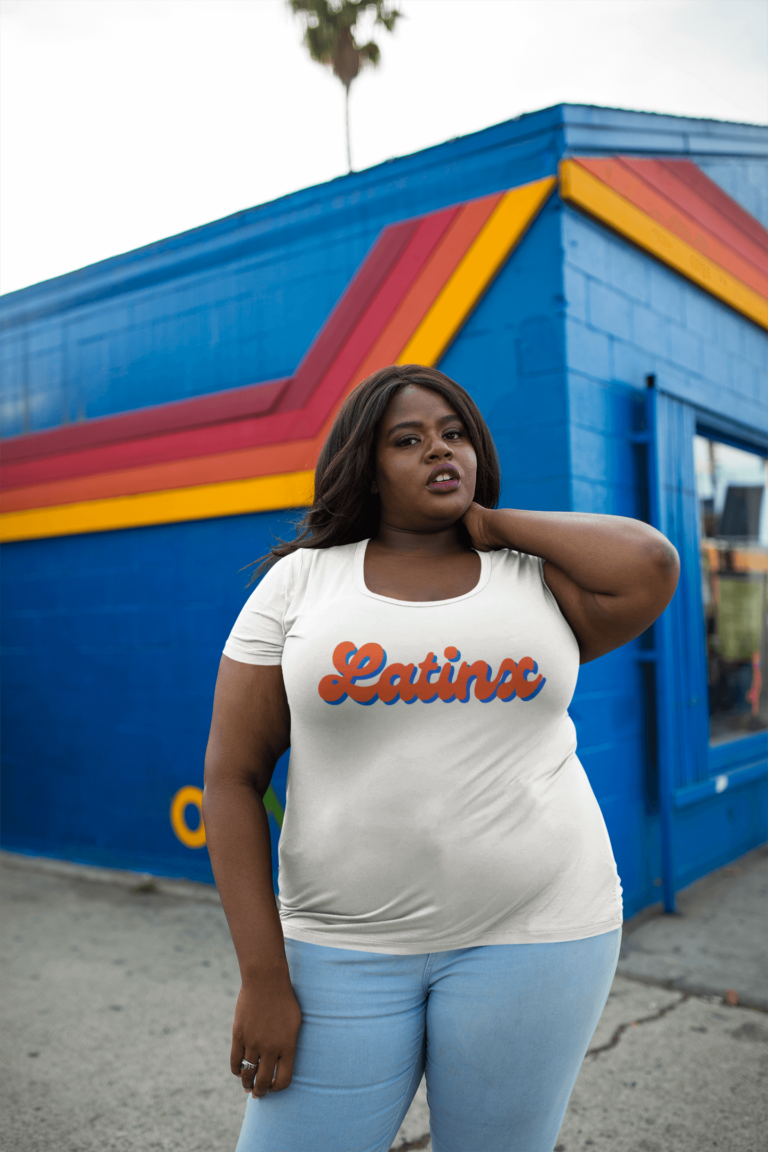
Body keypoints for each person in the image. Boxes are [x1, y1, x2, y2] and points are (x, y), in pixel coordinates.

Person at [203, 363, 679, 1152]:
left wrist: (490, 524)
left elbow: (651, 564)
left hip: (540, 934)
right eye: (408, 440)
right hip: (341, 947)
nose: (438, 449)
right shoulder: (301, 582)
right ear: (367, 465)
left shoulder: (535, 579)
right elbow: (232, 778)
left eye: (454, 433)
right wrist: (262, 975)